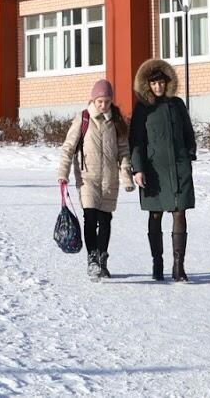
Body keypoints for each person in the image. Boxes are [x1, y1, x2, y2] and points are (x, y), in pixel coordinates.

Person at [56, 78, 133, 281]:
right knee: (90, 218)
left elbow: (124, 151)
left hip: (109, 179)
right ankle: (92, 259)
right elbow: (68, 149)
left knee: (105, 220)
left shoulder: (116, 121)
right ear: (93, 99)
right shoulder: (83, 119)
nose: (103, 105)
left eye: (107, 101)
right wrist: (62, 174)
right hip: (87, 178)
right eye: (99, 101)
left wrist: (126, 177)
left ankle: (102, 258)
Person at [129, 58, 196, 282]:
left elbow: (188, 133)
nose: (158, 87)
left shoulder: (177, 105)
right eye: (154, 83)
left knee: (180, 212)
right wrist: (137, 169)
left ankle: (179, 266)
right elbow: (135, 142)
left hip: (179, 169)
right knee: (155, 214)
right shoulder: (142, 110)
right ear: (147, 85)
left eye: (161, 83)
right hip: (154, 171)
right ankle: (158, 263)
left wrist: (189, 153)